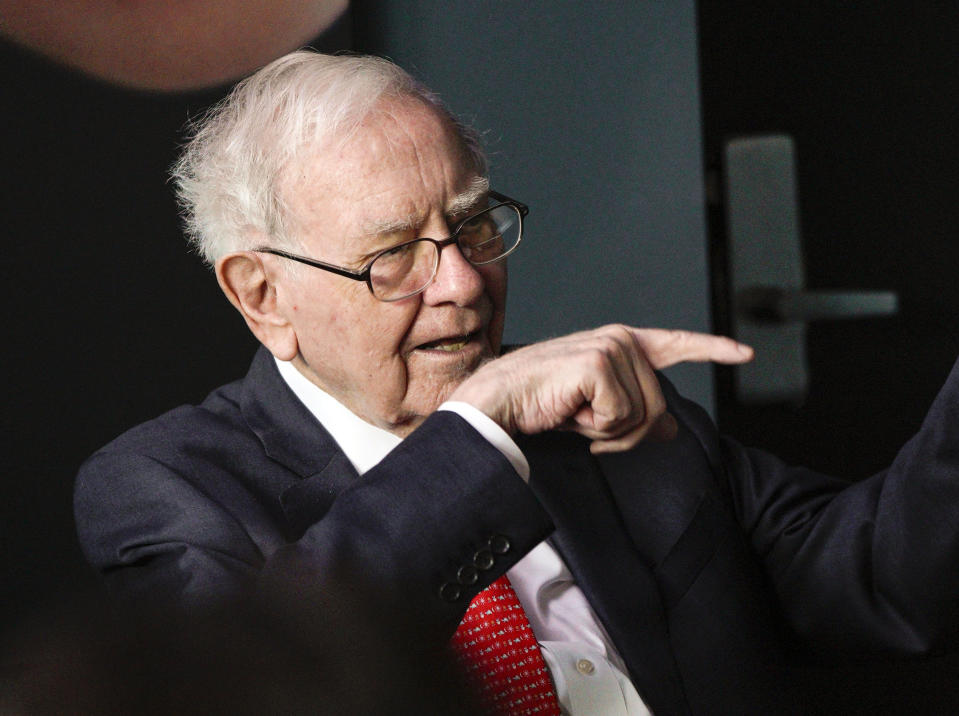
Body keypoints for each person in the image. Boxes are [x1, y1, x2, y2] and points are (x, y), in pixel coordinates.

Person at [74, 51, 959, 715]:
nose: (461, 282)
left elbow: (884, 578)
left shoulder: (606, 414)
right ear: (261, 295)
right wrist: (475, 438)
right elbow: (261, 689)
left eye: (471, 226)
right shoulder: (166, 488)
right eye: (393, 259)